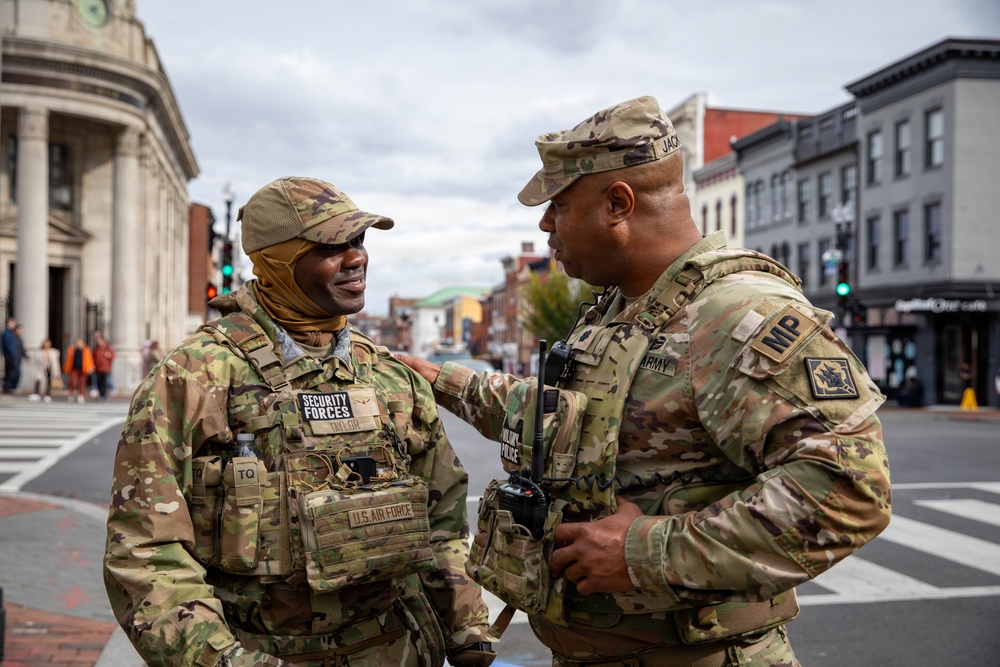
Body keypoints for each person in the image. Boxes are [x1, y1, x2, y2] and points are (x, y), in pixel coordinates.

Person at [398, 96, 892, 666]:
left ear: (617, 203)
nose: (544, 223)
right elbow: (568, 417)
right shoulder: (621, 310)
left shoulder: (737, 314)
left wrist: (644, 554)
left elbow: (850, 490)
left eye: (558, 205)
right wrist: (440, 379)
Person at [104, 176, 496, 667]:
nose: (356, 258)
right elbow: (145, 553)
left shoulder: (391, 378)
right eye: (332, 246)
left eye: (359, 240)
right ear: (279, 262)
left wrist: (466, 626)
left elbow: (443, 522)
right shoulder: (196, 376)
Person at [63, 337, 95, 403]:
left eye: (80, 342)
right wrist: (66, 367)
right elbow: (68, 359)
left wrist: (91, 367)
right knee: (72, 382)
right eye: (77, 342)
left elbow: (90, 359)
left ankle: (80, 395)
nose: (79, 344)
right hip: (74, 368)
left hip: (83, 368)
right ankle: (71, 394)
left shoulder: (86, 350)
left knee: (82, 383)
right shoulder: (72, 350)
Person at [28, 338, 60, 403]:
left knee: (48, 381)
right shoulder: (39, 352)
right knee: (38, 380)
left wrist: (56, 371)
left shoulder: (53, 352)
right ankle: (36, 394)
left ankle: (47, 395)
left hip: (49, 368)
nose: (46, 345)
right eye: (45, 343)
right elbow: (36, 360)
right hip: (41, 368)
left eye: (48, 343)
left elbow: (55, 362)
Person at [92, 329, 116, 400]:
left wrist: (109, 356)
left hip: (105, 368)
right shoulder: (96, 349)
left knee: (105, 382)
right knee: (99, 382)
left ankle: (104, 395)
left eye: (100, 341)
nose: (99, 342)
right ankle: (101, 395)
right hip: (98, 368)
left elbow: (113, 356)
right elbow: (93, 357)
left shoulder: (108, 348)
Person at [2, 317, 24, 394]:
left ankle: (9, 386)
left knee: (12, 371)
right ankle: (9, 386)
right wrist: (12, 353)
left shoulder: (11, 333)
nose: (14, 325)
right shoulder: (7, 333)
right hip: (11, 356)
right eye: (13, 323)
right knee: (13, 371)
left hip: (13, 355)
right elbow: (8, 345)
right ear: (9, 323)